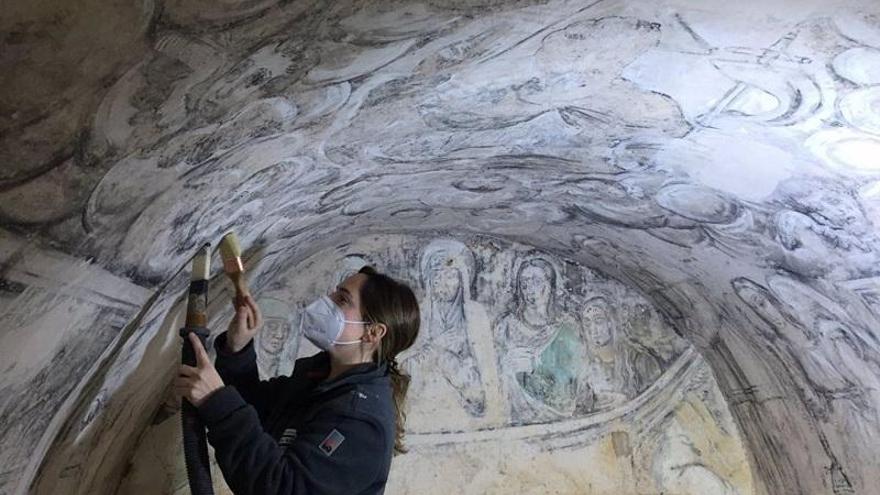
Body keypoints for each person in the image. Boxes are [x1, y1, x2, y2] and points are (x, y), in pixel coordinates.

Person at [174, 265, 421, 494]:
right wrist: (237, 350)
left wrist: (217, 401)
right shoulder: (319, 378)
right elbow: (255, 413)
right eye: (335, 293)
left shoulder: (361, 421)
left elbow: (284, 486)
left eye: (343, 299)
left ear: (373, 332)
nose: (328, 302)